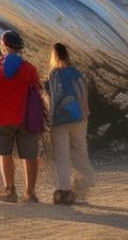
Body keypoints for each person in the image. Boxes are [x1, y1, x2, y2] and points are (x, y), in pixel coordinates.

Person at [0, 29, 42, 203]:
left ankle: (10, 191)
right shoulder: (28, 68)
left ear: (5, 46)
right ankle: (30, 193)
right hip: (25, 118)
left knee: (5, 154)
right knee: (30, 155)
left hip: (1, 119)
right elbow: (36, 87)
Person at [46, 42, 95, 205]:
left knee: (61, 155)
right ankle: (84, 182)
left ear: (53, 56)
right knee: (80, 151)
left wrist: (50, 120)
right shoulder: (76, 72)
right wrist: (85, 113)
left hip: (59, 121)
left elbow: (50, 100)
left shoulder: (52, 75)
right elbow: (84, 97)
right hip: (79, 118)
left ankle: (63, 191)